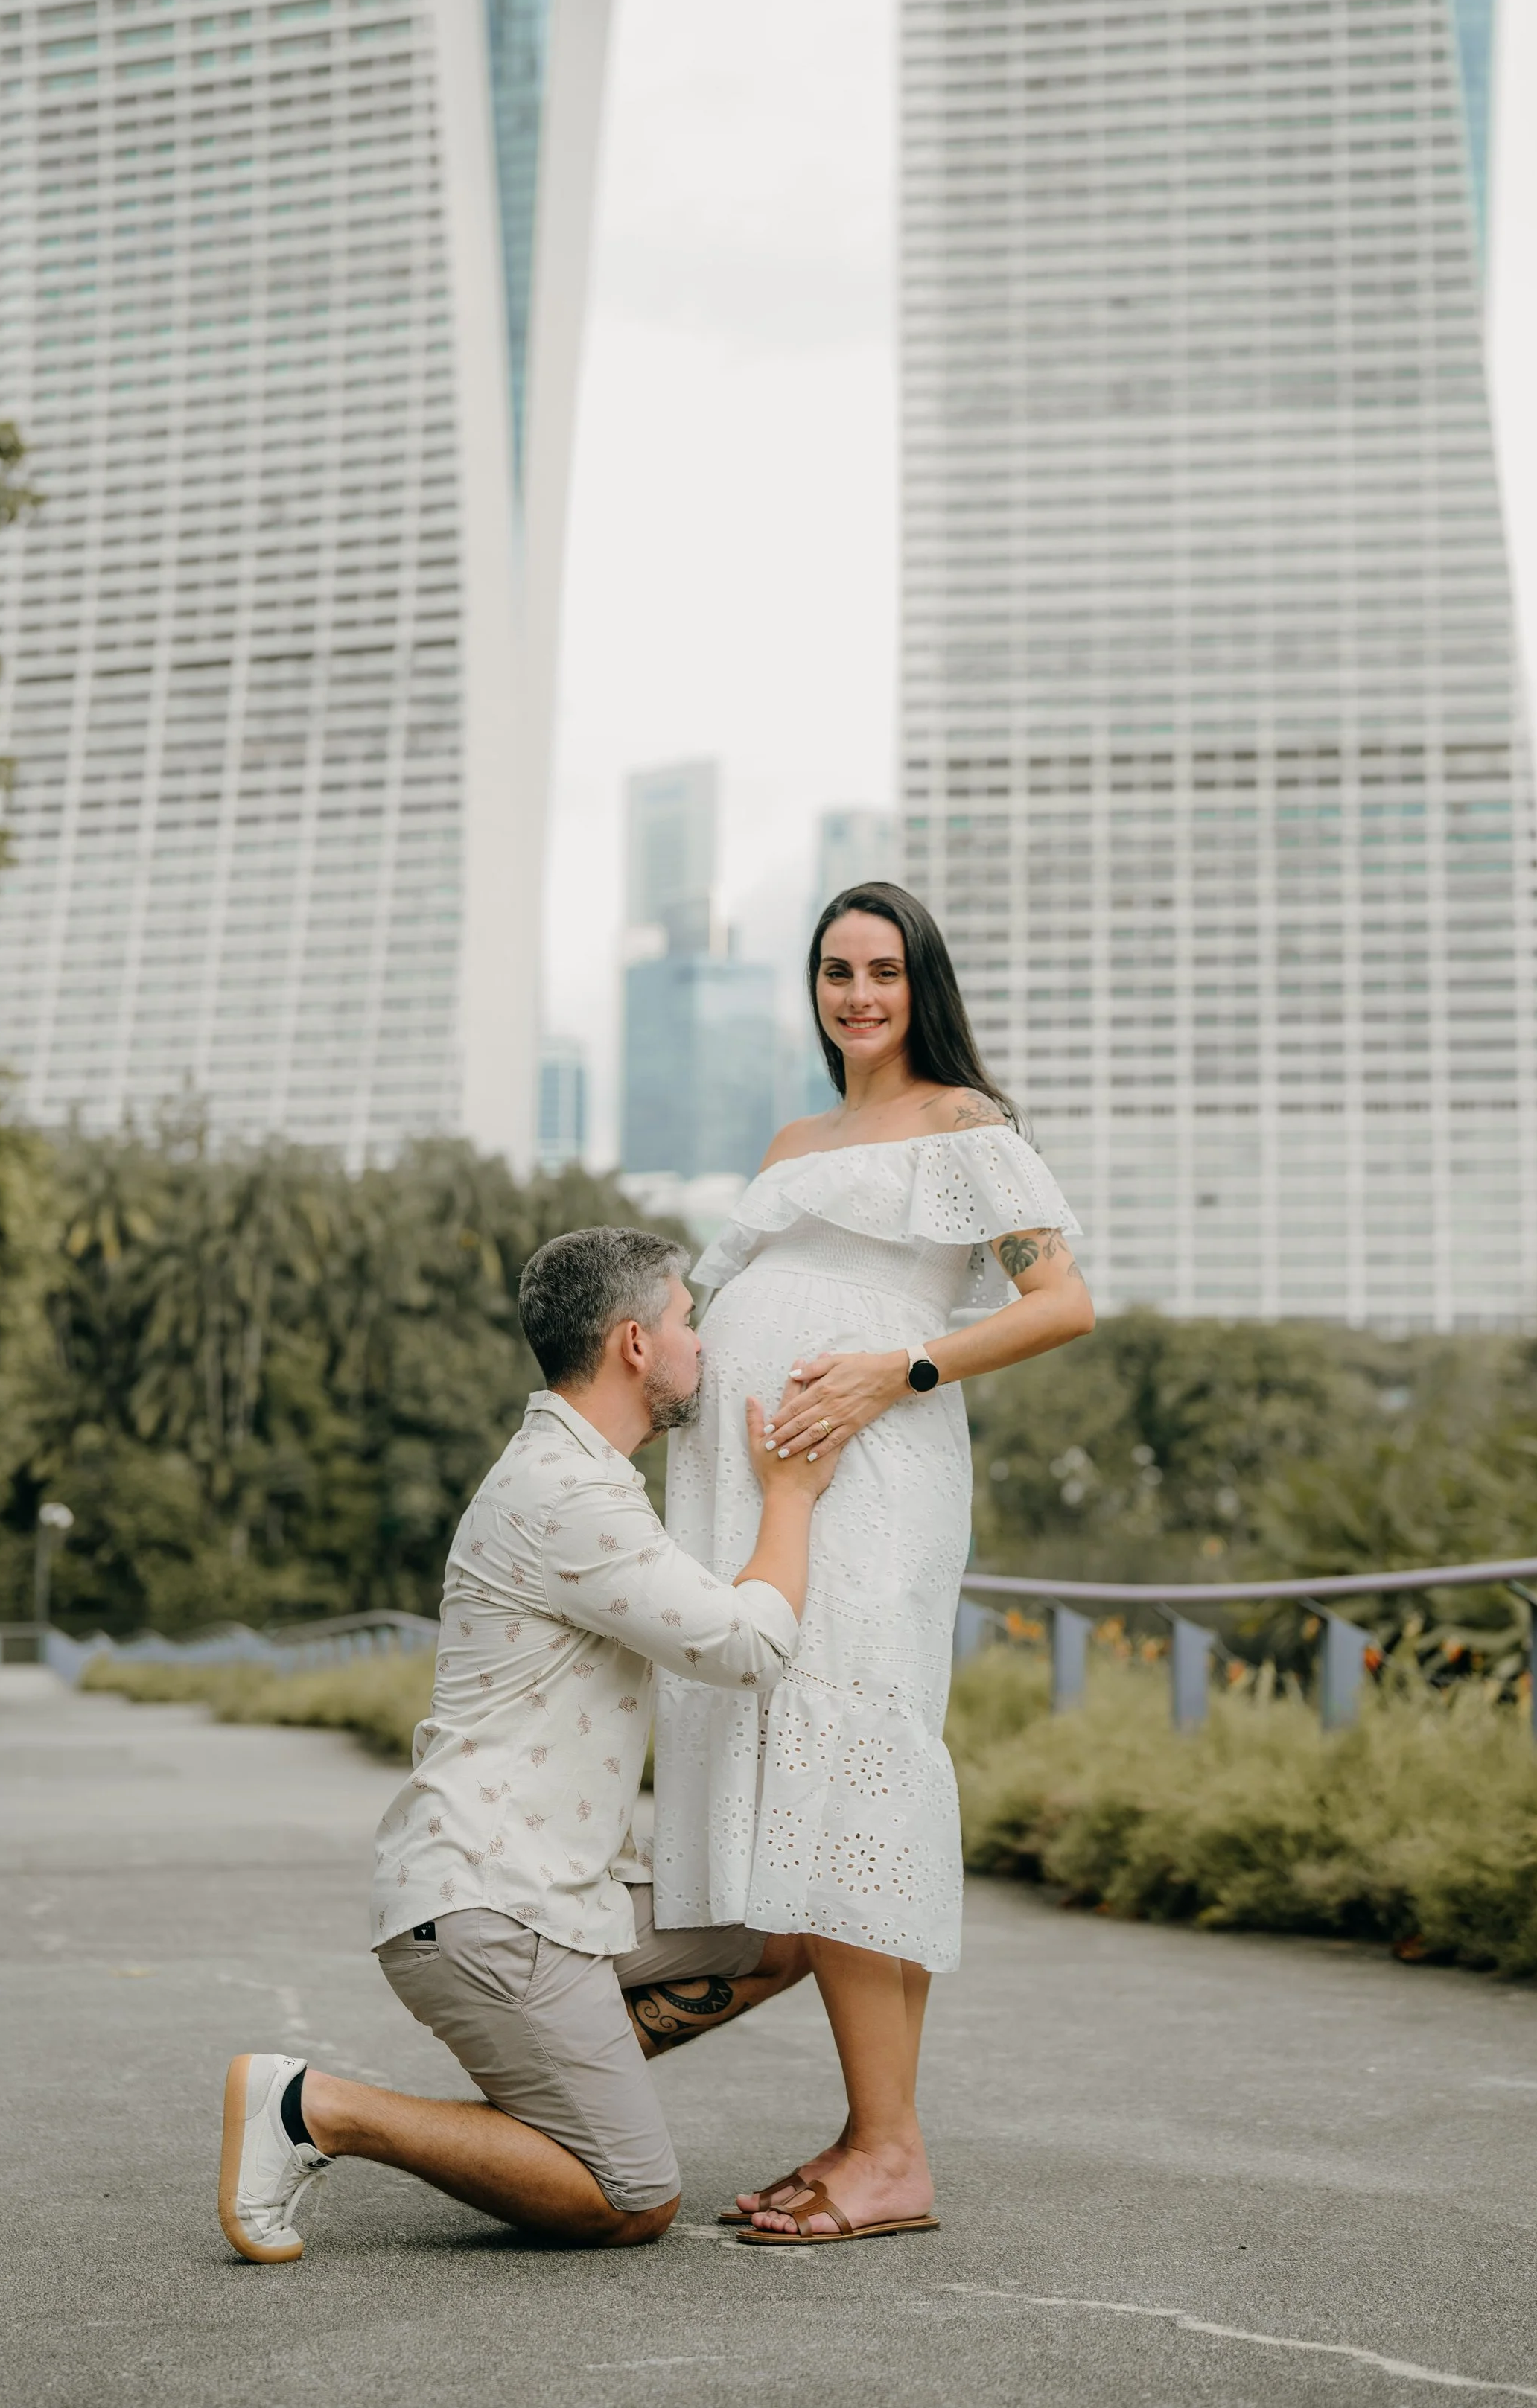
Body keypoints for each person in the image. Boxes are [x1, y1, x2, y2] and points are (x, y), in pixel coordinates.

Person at [218, 1226, 834, 2264]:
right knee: (631, 2196)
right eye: (690, 1318)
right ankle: (316, 2107)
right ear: (636, 1342)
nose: (705, 1344)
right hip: (491, 1905)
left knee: (784, 1930)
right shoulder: (569, 1495)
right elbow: (744, 1643)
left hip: (550, 1898)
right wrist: (792, 1495)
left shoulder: (571, 1472)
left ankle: (563, 2085)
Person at [654, 880, 1095, 2245]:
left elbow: (1063, 1303)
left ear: (924, 984)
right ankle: (875, 2137)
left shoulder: (964, 1125)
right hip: (766, 1489)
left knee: (850, 1769)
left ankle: (890, 2150)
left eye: (884, 972)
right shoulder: (799, 1136)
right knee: (829, 1775)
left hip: (872, 1474)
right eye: (837, 970)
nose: (858, 995)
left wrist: (892, 1369)